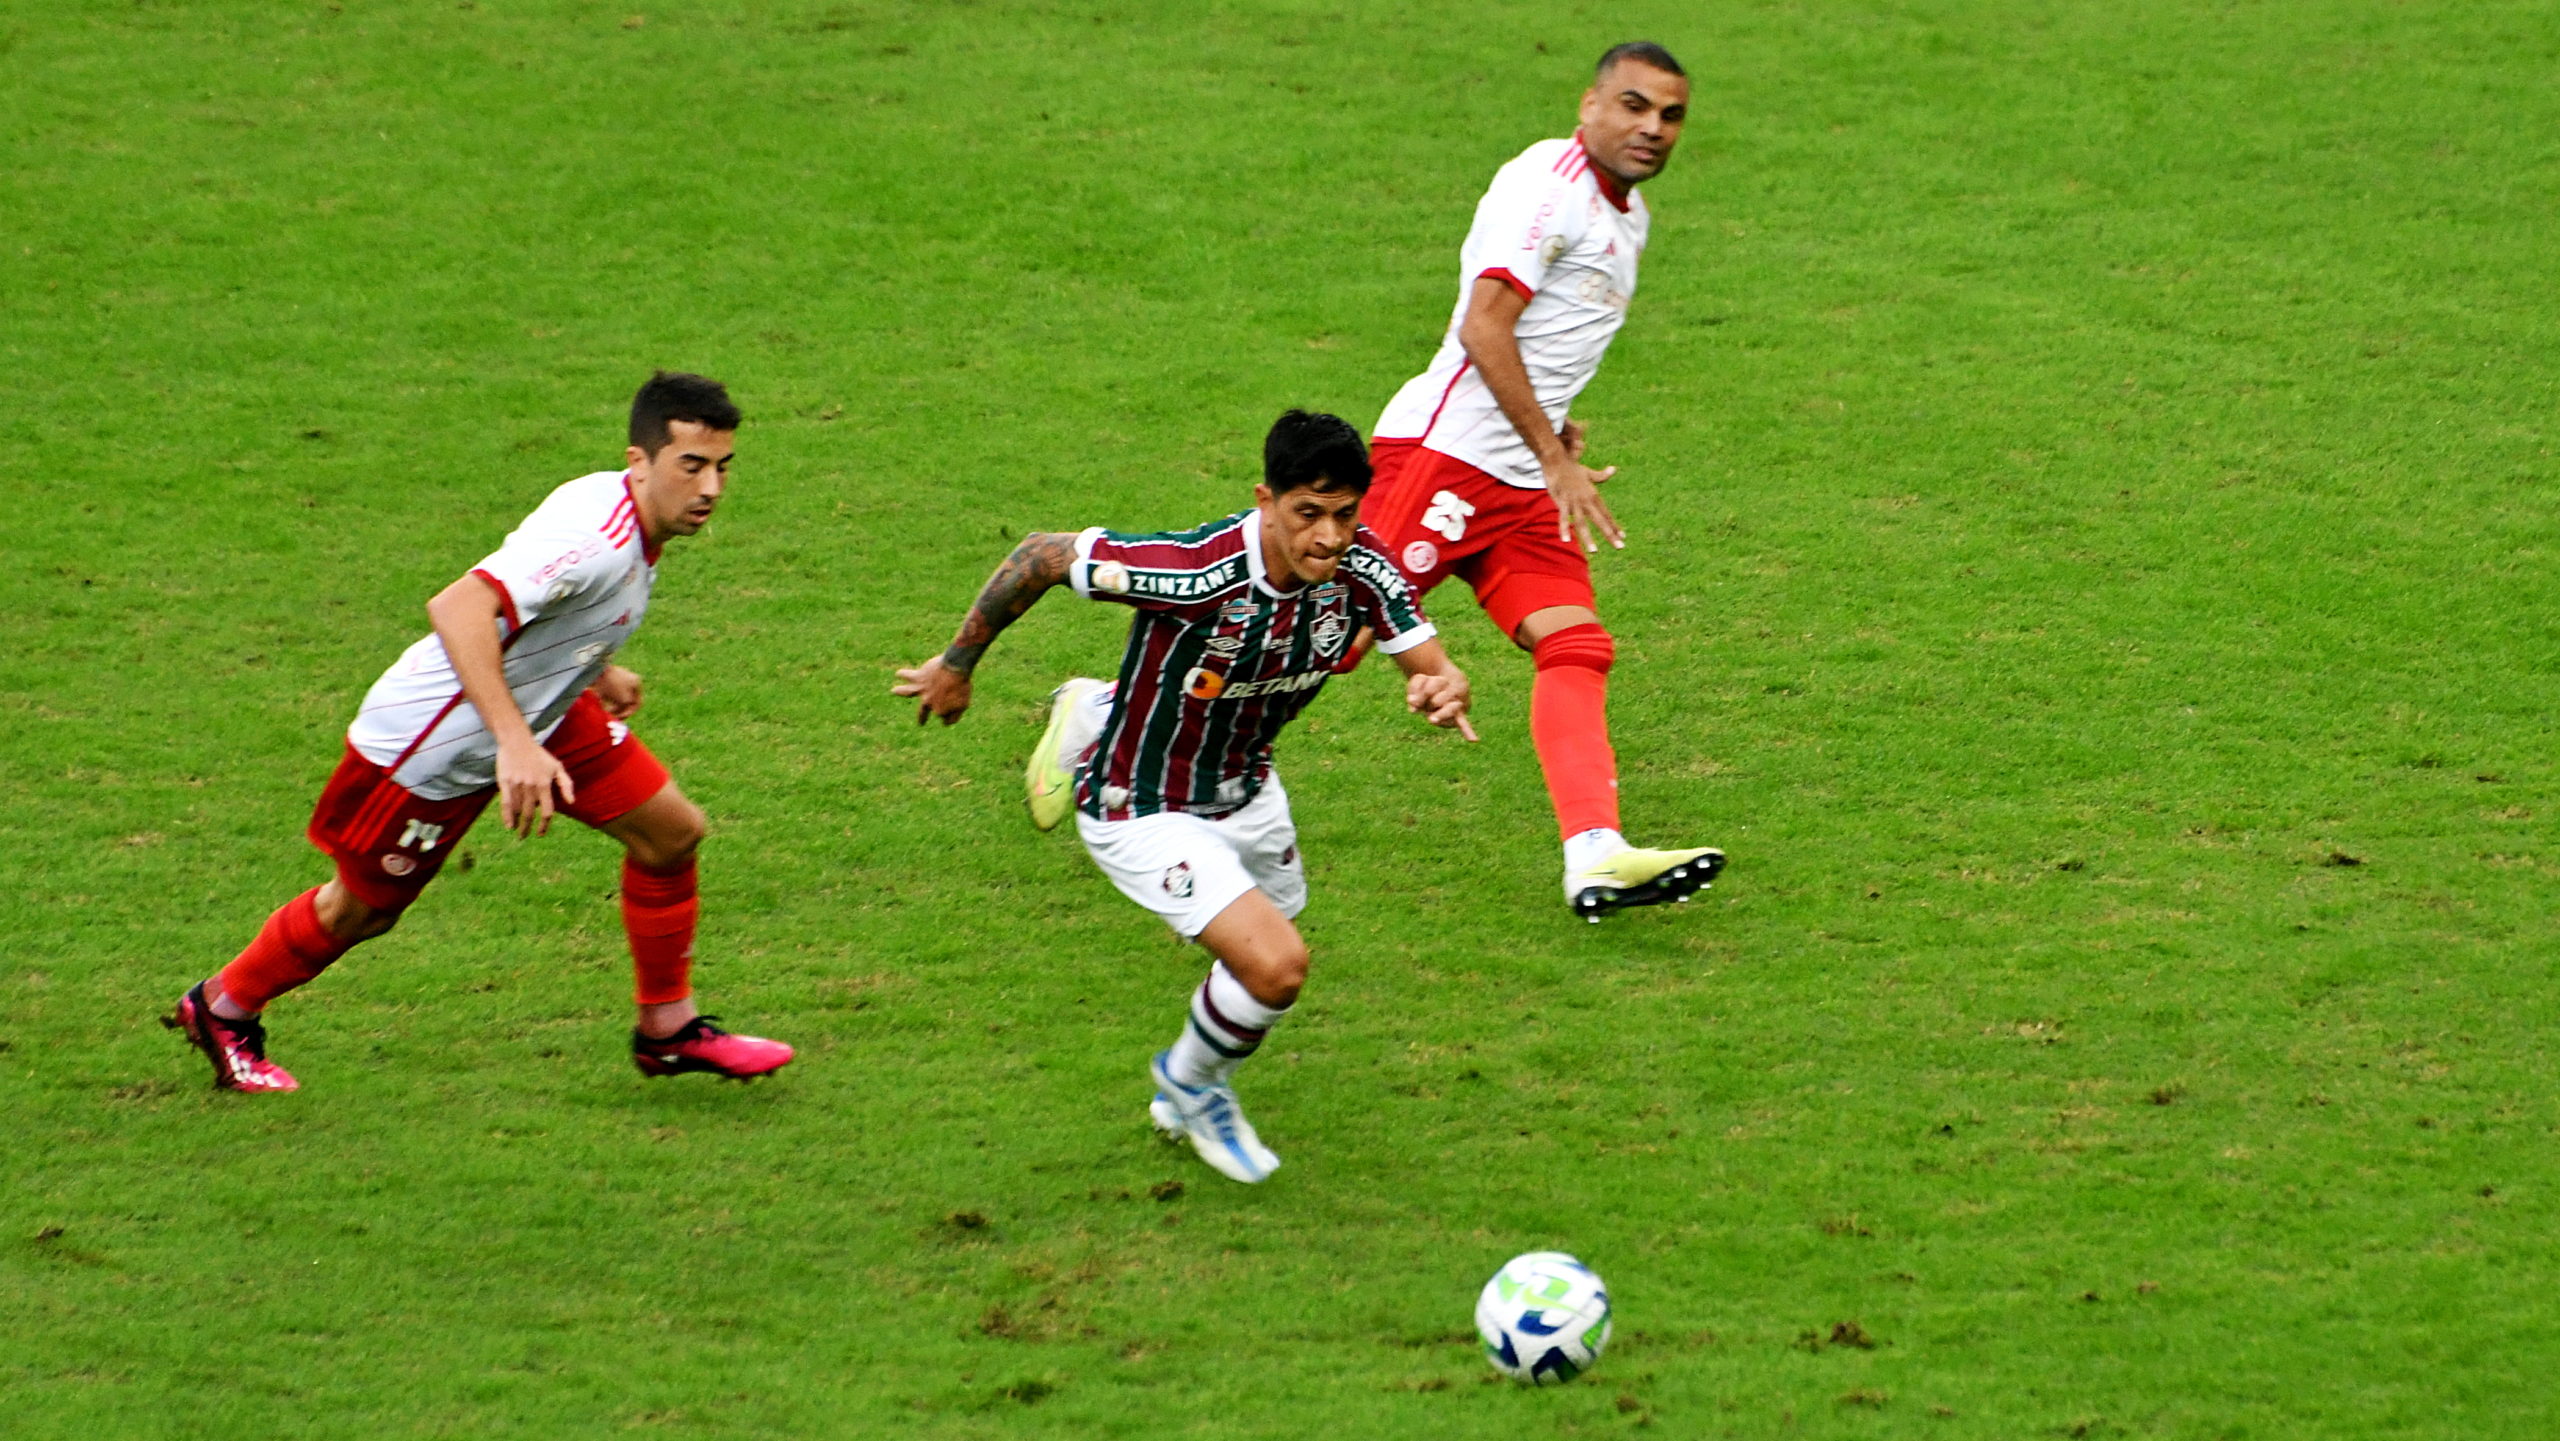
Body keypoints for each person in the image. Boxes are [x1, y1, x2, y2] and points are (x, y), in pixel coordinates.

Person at [165, 372, 794, 1092]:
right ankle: (222, 1006)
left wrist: (592, 667)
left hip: (543, 713)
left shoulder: (616, 504)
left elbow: (547, 609)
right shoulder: (597, 540)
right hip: (431, 747)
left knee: (671, 834)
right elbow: (459, 607)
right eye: (692, 466)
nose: (711, 488)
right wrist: (516, 745)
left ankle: (668, 1031)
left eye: (722, 467)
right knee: (361, 911)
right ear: (640, 461)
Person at [893, 410, 1473, 1184]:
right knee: (1277, 968)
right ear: (1266, 500)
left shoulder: (1362, 567)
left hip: (1248, 788)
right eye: (1308, 513)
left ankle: (1097, 707)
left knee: (1260, 958)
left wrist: (1443, 685)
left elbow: (1430, 662)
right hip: (1142, 803)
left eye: (1343, 514)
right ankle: (1191, 1085)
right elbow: (1039, 555)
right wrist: (956, 665)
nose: (1328, 537)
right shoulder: (1198, 572)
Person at [1358, 41, 1725, 922]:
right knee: (1322, 631)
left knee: (1577, 645)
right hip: (1446, 457)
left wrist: (1552, 431)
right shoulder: (1545, 189)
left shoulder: (1628, 213)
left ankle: (1594, 853)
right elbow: (1485, 328)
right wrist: (1555, 458)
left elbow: (1541, 341)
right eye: (1634, 105)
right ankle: (1106, 715)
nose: (1653, 127)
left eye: (1671, 115)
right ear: (1589, 104)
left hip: (1522, 479)